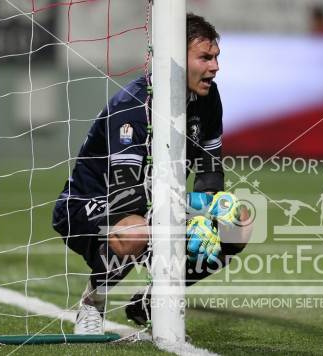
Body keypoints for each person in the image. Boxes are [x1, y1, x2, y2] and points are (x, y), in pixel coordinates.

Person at [52, 13, 247, 335]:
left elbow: (211, 170)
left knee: (237, 224)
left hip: (153, 205)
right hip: (89, 205)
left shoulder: (208, 99)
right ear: (175, 58)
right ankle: (92, 304)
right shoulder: (133, 104)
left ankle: (151, 300)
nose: (215, 67)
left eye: (216, 57)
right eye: (205, 57)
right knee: (135, 231)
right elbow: (127, 192)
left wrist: (207, 211)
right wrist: (185, 214)